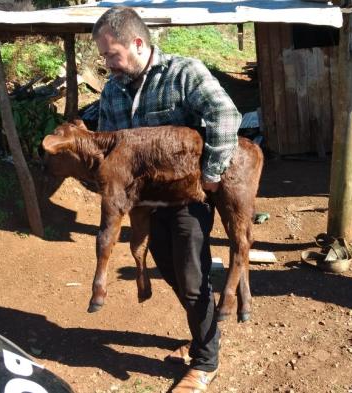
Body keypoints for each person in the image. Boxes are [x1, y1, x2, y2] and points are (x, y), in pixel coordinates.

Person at [92, 6, 241, 392]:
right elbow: (109, 144)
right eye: (104, 57)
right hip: (145, 203)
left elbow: (226, 115)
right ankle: (203, 331)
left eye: (112, 54)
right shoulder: (113, 89)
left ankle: (205, 362)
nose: (107, 64)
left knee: (192, 279)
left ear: (137, 43)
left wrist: (211, 175)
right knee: (172, 273)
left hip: (187, 198)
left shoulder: (183, 73)